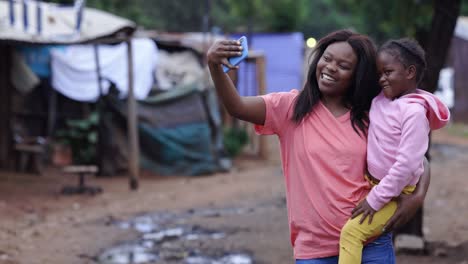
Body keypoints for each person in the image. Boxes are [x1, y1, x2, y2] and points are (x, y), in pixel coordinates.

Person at [207, 29, 431, 263]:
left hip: (370, 243)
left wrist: (417, 196)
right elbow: (237, 107)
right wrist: (214, 67)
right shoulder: (290, 107)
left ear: (357, 76)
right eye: (327, 58)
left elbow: (416, 158)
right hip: (314, 250)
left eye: (343, 66)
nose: (331, 67)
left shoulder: (372, 114)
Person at [338, 38, 450, 264]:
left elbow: (407, 165)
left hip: (394, 192)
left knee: (351, 233)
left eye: (388, 72)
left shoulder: (414, 113)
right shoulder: (382, 99)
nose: (381, 79)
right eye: (379, 73)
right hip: (374, 185)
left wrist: (375, 200)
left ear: (410, 72)